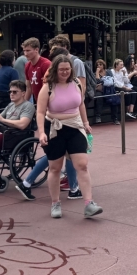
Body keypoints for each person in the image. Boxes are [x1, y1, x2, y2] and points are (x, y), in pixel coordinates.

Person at [36, 54, 102, 219]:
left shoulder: (77, 83)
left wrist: (86, 123)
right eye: (61, 69)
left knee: (82, 165)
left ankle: (89, 203)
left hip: (75, 126)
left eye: (67, 69)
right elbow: (40, 111)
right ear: (55, 70)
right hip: (55, 127)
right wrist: (42, 132)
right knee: (55, 168)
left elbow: (80, 104)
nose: (65, 72)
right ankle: (55, 202)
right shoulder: (48, 87)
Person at [22, 37, 51, 104]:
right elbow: (29, 88)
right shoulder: (27, 65)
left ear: (36, 50)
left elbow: (51, 86)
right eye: (24, 51)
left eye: (28, 50)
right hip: (37, 101)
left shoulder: (46, 64)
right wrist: (23, 105)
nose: (25, 54)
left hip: (49, 101)